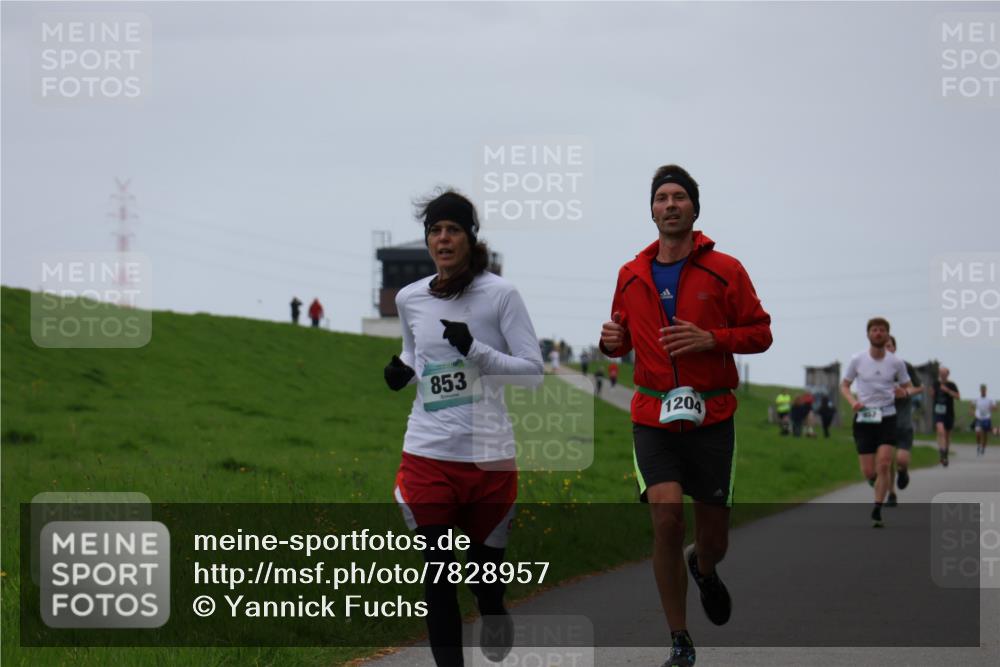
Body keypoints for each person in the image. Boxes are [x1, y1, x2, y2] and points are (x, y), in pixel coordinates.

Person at [599, 164, 772, 667]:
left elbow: (760, 333)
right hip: (652, 415)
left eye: (679, 197)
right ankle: (679, 637)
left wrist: (712, 338)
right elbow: (621, 336)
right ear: (651, 210)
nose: (669, 205)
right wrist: (611, 342)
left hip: (712, 416)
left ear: (695, 209)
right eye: (661, 198)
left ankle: (705, 567)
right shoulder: (630, 273)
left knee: (712, 537)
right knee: (668, 516)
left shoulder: (727, 269)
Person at [383, 189, 543, 667]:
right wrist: (402, 369)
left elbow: (533, 373)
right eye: (435, 230)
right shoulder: (410, 298)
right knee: (437, 572)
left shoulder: (501, 295)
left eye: (453, 229)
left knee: (484, 578)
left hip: (488, 457)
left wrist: (476, 349)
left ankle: (493, 607)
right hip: (428, 451)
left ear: (471, 238)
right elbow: (419, 354)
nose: (443, 238)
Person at [839, 318, 913, 527]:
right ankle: (876, 483)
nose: (878, 333)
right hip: (864, 417)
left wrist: (904, 392)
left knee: (884, 464)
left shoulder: (896, 363)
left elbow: (909, 386)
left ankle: (877, 508)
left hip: (888, 417)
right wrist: (853, 402)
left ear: (888, 335)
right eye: (874, 330)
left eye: (882, 330)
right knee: (869, 471)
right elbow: (844, 385)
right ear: (868, 334)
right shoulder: (857, 360)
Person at [884, 335, 923, 506]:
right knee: (886, 461)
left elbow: (920, 386)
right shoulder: (873, 368)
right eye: (884, 346)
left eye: (890, 346)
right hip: (884, 421)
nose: (887, 349)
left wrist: (906, 392)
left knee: (900, 460)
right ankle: (891, 494)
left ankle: (903, 471)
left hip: (903, 420)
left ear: (894, 348)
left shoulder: (904, 366)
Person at [932, 367, 960, 466]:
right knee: (940, 431)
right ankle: (942, 453)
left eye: (944, 373)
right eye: (941, 373)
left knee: (947, 435)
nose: (942, 375)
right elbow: (932, 395)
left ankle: (945, 454)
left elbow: (958, 396)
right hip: (938, 412)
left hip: (949, 412)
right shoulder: (935, 384)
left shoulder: (952, 385)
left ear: (948, 374)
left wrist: (947, 390)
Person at [972, 384, 997, 456]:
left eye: (984, 390)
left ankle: (983, 447)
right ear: (980, 391)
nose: (983, 391)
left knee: (985, 434)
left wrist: (992, 408)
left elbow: (995, 407)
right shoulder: (977, 398)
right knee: (978, 433)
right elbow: (972, 405)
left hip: (986, 418)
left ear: (986, 390)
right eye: (982, 390)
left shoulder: (990, 399)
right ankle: (978, 446)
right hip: (978, 418)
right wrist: (971, 411)